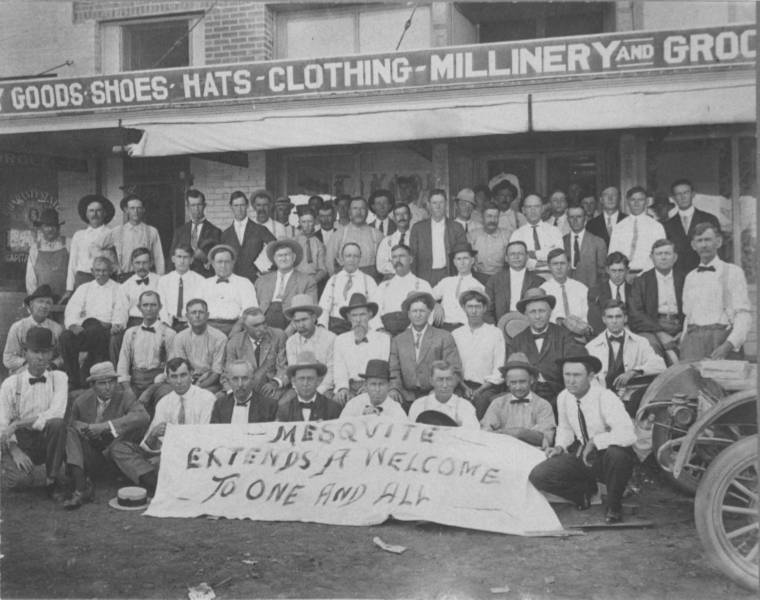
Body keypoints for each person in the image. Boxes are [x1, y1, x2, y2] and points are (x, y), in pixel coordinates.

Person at [528, 355, 637, 524]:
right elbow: (565, 427)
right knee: (539, 475)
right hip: (583, 456)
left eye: (577, 375)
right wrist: (559, 447)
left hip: (607, 457)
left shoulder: (605, 397)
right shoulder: (564, 397)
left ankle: (614, 506)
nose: (571, 381)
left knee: (618, 454)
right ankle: (582, 493)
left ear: (591, 377)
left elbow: (628, 435)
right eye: (567, 375)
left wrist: (595, 442)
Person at [110, 358, 215, 495]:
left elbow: (203, 438)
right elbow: (148, 445)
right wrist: (153, 434)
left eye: (183, 375)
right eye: (174, 376)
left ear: (191, 375)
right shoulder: (165, 402)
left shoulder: (207, 398)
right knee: (119, 449)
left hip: (193, 454)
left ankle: (156, 484)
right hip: (164, 454)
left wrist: (165, 457)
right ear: (168, 379)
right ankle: (156, 483)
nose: (179, 381)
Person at [63, 362, 150, 510]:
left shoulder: (126, 398)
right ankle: (81, 486)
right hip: (90, 457)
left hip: (115, 458)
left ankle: (84, 485)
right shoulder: (81, 401)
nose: (108, 387)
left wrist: (105, 426)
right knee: (68, 433)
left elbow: (143, 416)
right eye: (102, 383)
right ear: (92, 385)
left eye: (111, 382)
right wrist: (75, 424)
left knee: (123, 438)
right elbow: (66, 421)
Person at [0, 328, 68, 499]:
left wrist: (18, 423)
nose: (40, 357)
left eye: (45, 352)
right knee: (20, 483)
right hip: (20, 441)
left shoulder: (59, 378)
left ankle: (52, 481)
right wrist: (15, 450)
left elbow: (55, 414)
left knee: (57, 424)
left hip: (46, 438)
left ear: (51, 354)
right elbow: (2, 424)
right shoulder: (11, 383)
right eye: (35, 351)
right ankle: (12, 465)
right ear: (25, 353)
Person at [506, 288, 587, 411]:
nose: (537, 316)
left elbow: (573, 368)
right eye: (533, 312)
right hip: (527, 394)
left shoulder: (564, 335)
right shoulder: (517, 341)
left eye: (542, 311)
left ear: (550, 312)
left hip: (557, 393)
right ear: (526, 315)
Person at [681, 223, 751, 361]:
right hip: (693, 343)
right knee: (691, 382)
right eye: (699, 241)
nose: (703, 245)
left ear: (718, 242)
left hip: (721, 341)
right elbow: (688, 316)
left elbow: (743, 315)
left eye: (708, 239)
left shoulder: (733, 272)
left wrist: (729, 344)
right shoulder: (690, 277)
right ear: (693, 245)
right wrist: (684, 341)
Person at [586, 300, 665, 415]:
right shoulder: (592, 347)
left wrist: (633, 372)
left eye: (618, 316)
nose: (614, 321)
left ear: (625, 318)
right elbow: (588, 379)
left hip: (632, 401)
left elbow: (659, 365)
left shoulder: (640, 342)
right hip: (603, 402)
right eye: (610, 317)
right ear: (604, 319)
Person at [60, 257, 129, 389]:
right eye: (98, 270)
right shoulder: (84, 288)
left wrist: (116, 324)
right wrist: (73, 325)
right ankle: (73, 379)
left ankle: (91, 377)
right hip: (84, 329)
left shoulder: (118, 288)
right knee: (65, 337)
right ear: (92, 271)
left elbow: (121, 310)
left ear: (111, 271)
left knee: (95, 329)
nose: (101, 274)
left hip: (105, 330)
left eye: (104, 271)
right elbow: (72, 309)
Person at [388, 291, 461, 409]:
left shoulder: (444, 337)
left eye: (422, 311)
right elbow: (394, 369)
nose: (418, 315)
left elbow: (455, 369)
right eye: (414, 311)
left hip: (435, 394)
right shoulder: (397, 340)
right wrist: (394, 388)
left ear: (429, 313)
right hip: (405, 396)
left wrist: (439, 389)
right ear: (408, 314)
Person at [480, 352, 556, 448]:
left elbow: (546, 439)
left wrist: (519, 432)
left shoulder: (543, 405)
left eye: (522, 381)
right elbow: (485, 433)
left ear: (531, 379)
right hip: (502, 452)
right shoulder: (498, 404)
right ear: (507, 382)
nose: (518, 387)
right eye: (513, 382)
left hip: (532, 456)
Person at [452, 290, 505, 419]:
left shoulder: (495, 333)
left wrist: (480, 390)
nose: (474, 311)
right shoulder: (456, 334)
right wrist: (464, 388)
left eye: (478, 307)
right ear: (464, 308)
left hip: (486, 387)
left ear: (485, 308)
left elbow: (499, 368)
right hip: (461, 385)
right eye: (470, 307)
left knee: (482, 402)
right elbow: (452, 366)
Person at [628, 239, 686, 359]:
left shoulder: (685, 278)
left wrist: (685, 331)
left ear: (675, 257)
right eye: (659, 254)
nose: (663, 258)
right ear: (651, 257)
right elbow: (636, 314)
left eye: (667, 254)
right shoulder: (641, 281)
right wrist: (660, 333)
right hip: (652, 328)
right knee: (649, 344)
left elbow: (694, 310)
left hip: (681, 326)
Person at [116, 291, 176, 401]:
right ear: (139, 307)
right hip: (134, 382)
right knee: (117, 394)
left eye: (153, 305)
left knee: (166, 393)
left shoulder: (169, 334)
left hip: (158, 383)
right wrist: (128, 390)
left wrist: (149, 391)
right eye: (145, 305)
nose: (149, 309)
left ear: (160, 307)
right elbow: (122, 366)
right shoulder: (131, 333)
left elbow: (171, 368)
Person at [91, 194, 164, 281]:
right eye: (132, 208)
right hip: (123, 278)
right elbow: (94, 246)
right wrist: (110, 264)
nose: (135, 211)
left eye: (139, 208)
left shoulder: (152, 231)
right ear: (126, 210)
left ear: (143, 210)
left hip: (145, 277)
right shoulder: (117, 231)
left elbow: (159, 258)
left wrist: (160, 280)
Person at [333, 294, 391, 405]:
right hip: (349, 387)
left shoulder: (383, 339)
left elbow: (382, 369)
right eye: (354, 315)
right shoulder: (340, 340)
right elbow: (340, 369)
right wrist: (342, 388)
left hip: (373, 387)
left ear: (370, 315)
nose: (358, 320)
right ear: (349, 317)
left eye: (362, 315)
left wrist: (369, 387)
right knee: (338, 403)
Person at [223, 307, 288, 400]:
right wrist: (233, 393)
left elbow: (284, 367)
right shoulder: (234, 343)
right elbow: (227, 374)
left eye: (264, 323)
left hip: (270, 387)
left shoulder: (279, 336)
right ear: (245, 327)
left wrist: (276, 382)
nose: (262, 328)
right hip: (242, 388)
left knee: (272, 400)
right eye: (256, 325)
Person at [371, 244, 435, 335]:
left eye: (402, 256)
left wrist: (410, 332)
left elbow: (430, 314)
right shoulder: (383, 286)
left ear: (411, 259)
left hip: (413, 332)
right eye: (394, 257)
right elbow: (374, 312)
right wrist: (380, 330)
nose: (397, 260)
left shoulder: (422, 284)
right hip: (385, 332)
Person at [254, 238, 318, 331]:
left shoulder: (307, 281)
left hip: (289, 323)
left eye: (287, 255)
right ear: (275, 259)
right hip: (262, 323)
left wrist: (291, 329)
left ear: (294, 257)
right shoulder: (261, 281)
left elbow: (309, 311)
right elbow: (252, 308)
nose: (283, 258)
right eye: (280, 255)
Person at [408, 188, 467, 287]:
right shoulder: (417, 228)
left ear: (446, 204)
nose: (438, 206)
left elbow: (464, 255)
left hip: (449, 275)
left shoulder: (457, 227)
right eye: (434, 203)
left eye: (441, 202)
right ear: (429, 205)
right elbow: (412, 259)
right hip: (425, 277)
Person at [664, 179, 722, 274]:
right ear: (674, 198)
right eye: (678, 194)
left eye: (686, 192)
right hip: (678, 277)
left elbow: (719, 250)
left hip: (706, 274)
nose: (683, 197)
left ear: (693, 194)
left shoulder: (710, 219)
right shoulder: (667, 225)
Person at [318, 243, 378, 334]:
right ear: (342, 258)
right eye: (348, 256)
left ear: (360, 258)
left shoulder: (369, 281)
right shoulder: (333, 280)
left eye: (356, 256)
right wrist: (322, 326)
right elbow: (324, 308)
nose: (352, 260)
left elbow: (374, 312)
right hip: (336, 327)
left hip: (360, 327)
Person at [284, 295, 336, 399]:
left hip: (325, 389)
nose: (300, 325)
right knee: (284, 405)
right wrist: (301, 393)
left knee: (327, 407)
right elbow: (293, 374)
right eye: (296, 321)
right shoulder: (291, 342)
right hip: (300, 390)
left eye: (304, 320)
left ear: (313, 318)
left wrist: (318, 392)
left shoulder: (330, 338)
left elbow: (331, 371)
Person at [4, 284, 64, 375]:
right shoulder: (18, 327)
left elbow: (63, 355)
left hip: (48, 372)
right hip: (23, 371)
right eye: (40, 301)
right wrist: (27, 364)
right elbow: (8, 357)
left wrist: (52, 365)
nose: (44, 306)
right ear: (32, 304)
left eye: (48, 303)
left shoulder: (57, 329)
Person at [219, 191, 276, 284]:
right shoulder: (225, 234)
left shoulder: (260, 229)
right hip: (233, 282)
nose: (239, 209)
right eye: (236, 206)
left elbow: (277, 249)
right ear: (230, 207)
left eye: (242, 205)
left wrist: (267, 269)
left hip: (256, 281)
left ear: (247, 205)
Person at [608, 186, 666, 278]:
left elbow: (660, 256)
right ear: (627, 202)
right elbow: (611, 256)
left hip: (648, 276)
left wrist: (640, 275)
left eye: (640, 200)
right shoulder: (619, 227)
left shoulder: (657, 227)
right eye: (633, 200)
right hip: (622, 276)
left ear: (646, 202)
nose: (636, 204)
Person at [201, 244, 258, 336]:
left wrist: (238, 327)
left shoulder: (244, 283)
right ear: (212, 263)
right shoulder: (204, 284)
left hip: (235, 326)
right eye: (219, 262)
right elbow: (197, 309)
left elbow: (250, 309)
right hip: (207, 327)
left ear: (233, 262)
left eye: (227, 262)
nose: (223, 266)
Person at [65, 194, 116, 297]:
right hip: (83, 278)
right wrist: (69, 288)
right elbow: (72, 263)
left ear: (104, 213)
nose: (94, 214)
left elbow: (115, 262)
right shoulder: (79, 235)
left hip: (104, 279)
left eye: (98, 210)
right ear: (86, 214)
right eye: (91, 211)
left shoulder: (112, 234)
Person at [485, 241, 546, 325]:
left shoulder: (539, 281)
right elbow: (487, 310)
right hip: (500, 325)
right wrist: (495, 330)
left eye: (520, 253)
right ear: (506, 258)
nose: (516, 257)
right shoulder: (494, 280)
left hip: (529, 325)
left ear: (527, 257)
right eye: (512, 254)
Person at [408, 361, 479, 429]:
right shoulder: (418, 405)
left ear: (455, 381)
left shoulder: (465, 407)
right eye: (440, 380)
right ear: (431, 381)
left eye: (449, 379)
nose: (445, 385)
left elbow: (472, 436)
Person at [325, 197, 383, 278]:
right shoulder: (338, 235)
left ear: (367, 212)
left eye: (362, 208)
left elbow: (384, 262)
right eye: (355, 208)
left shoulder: (377, 235)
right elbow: (329, 262)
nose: (358, 212)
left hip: (370, 283)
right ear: (349, 212)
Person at [431, 242, 485, 331]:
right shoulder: (446, 281)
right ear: (454, 262)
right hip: (442, 327)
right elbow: (428, 296)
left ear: (472, 261)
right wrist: (436, 305)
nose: (462, 262)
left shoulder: (478, 286)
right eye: (459, 259)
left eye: (465, 258)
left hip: (465, 328)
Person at [276, 352, 343, 422]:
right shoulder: (284, 411)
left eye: (310, 378)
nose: (305, 384)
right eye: (301, 378)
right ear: (293, 381)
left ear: (318, 381)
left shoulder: (333, 409)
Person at [169, 189, 221, 277]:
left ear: (204, 205)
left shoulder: (215, 232)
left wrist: (205, 259)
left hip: (206, 279)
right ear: (187, 206)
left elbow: (221, 260)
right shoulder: (180, 232)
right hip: (184, 279)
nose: (196, 209)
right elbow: (172, 260)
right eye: (193, 205)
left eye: (199, 205)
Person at [540, 249, 591, 337]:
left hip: (579, 336)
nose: (559, 267)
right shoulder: (543, 290)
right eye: (555, 264)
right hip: (553, 336)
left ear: (568, 265)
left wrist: (581, 328)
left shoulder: (581, 288)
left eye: (562, 263)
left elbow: (588, 314)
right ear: (549, 266)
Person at [510, 194, 564, 275]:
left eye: (536, 206)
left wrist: (531, 254)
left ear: (542, 209)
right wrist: (542, 262)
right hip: (526, 276)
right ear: (523, 210)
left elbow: (558, 256)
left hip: (552, 275)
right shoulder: (517, 235)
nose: (533, 211)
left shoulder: (554, 231)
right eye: (529, 207)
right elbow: (516, 260)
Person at [210, 360, 279, 424]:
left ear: (252, 380)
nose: (240, 384)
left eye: (245, 378)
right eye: (235, 379)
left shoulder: (269, 406)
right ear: (229, 381)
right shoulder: (220, 405)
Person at [157, 244, 206, 332]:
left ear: (191, 260)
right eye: (179, 257)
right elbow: (162, 304)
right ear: (173, 259)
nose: (182, 261)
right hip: (169, 324)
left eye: (185, 257)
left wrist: (192, 324)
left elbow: (200, 305)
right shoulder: (164, 280)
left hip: (191, 325)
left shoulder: (200, 280)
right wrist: (165, 324)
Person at [340, 359, 407, 420]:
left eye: (381, 384)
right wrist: (360, 419)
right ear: (365, 385)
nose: (377, 389)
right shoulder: (353, 405)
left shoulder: (397, 410)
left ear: (389, 386)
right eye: (373, 384)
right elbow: (339, 428)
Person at [26, 208, 70, 298]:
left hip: (66, 298)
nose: (50, 229)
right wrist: (34, 299)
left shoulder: (69, 244)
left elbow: (75, 272)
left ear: (58, 227)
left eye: (54, 226)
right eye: (47, 226)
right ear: (41, 227)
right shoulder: (34, 249)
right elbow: (31, 278)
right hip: (43, 300)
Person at [587, 252, 632, 335]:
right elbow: (595, 321)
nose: (617, 275)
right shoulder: (595, 291)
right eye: (613, 271)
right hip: (604, 336)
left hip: (629, 334)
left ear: (627, 271)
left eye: (621, 270)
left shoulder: (634, 290)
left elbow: (637, 316)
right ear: (607, 270)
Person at [119, 247, 163, 330]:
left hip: (156, 321)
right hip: (134, 322)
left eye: (145, 263)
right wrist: (120, 324)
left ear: (151, 263)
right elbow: (121, 310)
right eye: (137, 263)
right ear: (132, 264)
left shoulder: (161, 282)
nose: (141, 266)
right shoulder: (125, 286)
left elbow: (166, 307)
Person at [564, 204, 607, 290]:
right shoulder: (561, 241)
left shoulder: (598, 242)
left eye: (579, 217)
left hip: (590, 290)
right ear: (568, 220)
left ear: (585, 218)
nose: (575, 220)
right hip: (567, 289)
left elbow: (603, 273)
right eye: (572, 217)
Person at [469, 202, 513, 284]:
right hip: (478, 278)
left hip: (501, 278)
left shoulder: (508, 235)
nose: (493, 220)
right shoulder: (472, 235)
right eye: (489, 216)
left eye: (495, 216)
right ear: (482, 217)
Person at [294, 206, 328, 287]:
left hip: (313, 283)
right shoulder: (293, 242)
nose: (307, 225)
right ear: (299, 222)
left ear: (315, 222)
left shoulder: (320, 244)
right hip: (295, 283)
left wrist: (311, 282)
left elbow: (322, 269)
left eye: (310, 221)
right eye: (304, 222)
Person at [376, 203, 413, 277]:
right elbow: (380, 265)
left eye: (404, 214)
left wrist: (394, 264)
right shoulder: (387, 241)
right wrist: (403, 268)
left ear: (410, 216)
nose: (401, 217)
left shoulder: (416, 239)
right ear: (393, 218)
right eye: (398, 215)